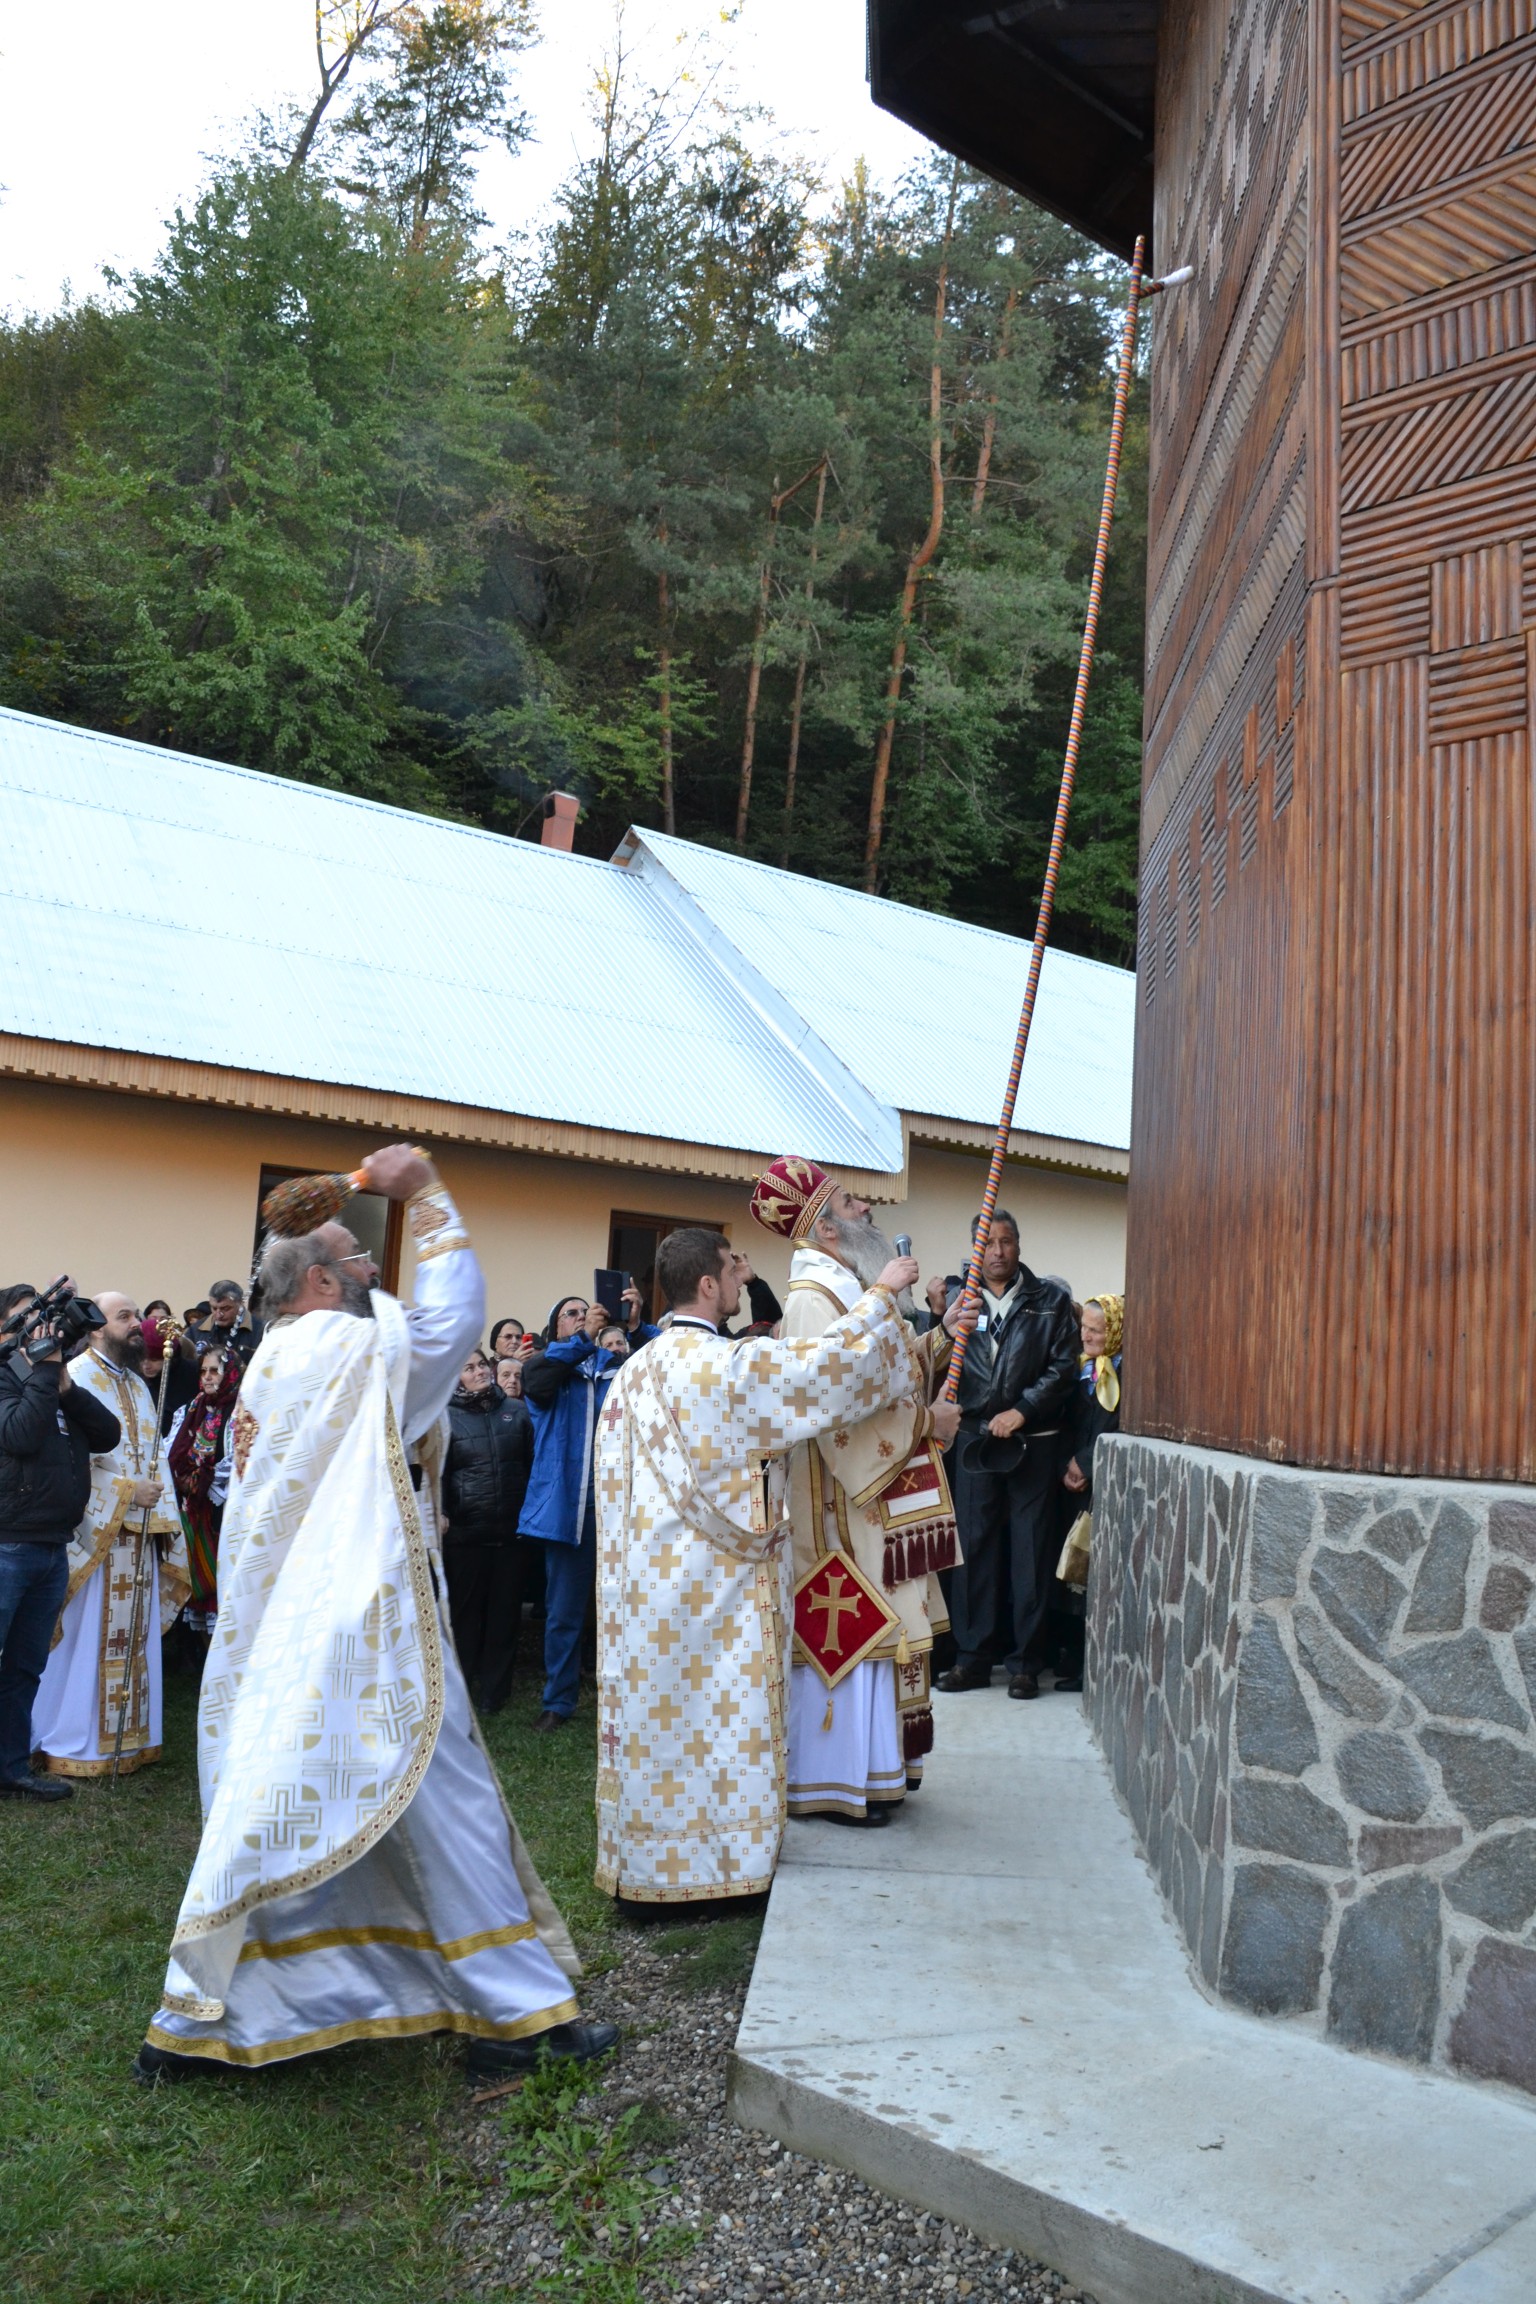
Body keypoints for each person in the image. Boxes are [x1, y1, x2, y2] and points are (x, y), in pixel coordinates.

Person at [136, 1145, 614, 2083]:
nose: (369, 1274)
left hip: (289, 1629)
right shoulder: (342, 1349)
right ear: (319, 1279)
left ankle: (213, 2015)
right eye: (356, 1264)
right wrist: (427, 1198)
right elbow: (449, 1323)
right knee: (448, 1803)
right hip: (364, 1632)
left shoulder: (279, 1358)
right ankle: (512, 2019)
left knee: (284, 1807)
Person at [595, 1222, 925, 1910]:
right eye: (734, 1268)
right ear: (708, 1285)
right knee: (718, 1729)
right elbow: (824, 1374)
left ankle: (646, 1873)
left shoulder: (632, 1375)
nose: (746, 1277)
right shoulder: (723, 1367)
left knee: (661, 1733)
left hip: (643, 1600)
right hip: (718, 1592)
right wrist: (882, 1298)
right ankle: (721, 1873)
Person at [749, 1158, 961, 1825]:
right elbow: (831, 1406)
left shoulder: (853, 1285)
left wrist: (943, 1336)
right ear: (825, 1228)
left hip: (874, 1492)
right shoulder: (816, 1298)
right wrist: (928, 1422)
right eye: (848, 1202)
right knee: (863, 1633)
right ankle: (842, 1782)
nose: (866, 1206)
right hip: (843, 1500)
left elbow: (885, 1370)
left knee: (890, 1627)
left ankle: (881, 1769)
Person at [32, 1295, 190, 1778]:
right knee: (84, 1638)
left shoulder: (139, 1385)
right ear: (97, 1327)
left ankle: (126, 1740)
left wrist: (159, 1507)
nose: (135, 1323)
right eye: (124, 1316)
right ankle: (71, 1740)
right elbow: (67, 1459)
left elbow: (152, 1457)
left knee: (131, 1638)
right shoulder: (76, 1376)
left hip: (139, 1537)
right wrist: (126, 1491)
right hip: (93, 1536)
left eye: (135, 1314)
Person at [936, 1213, 1080, 1702]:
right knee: (972, 1552)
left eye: (1006, 1241)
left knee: (1031, 1553)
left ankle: (1025, 1663)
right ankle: (972, 1659)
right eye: (987, 1242)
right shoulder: (962, 1302)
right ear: (975, 1247)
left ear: (1019, 1244)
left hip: (1032, 1441)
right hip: (976, 1440)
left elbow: (1064, 1368)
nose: (997, 1251)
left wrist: (1022, 1410)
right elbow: (943, 1365)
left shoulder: (1051, 1301)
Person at [0, 1294, 123, 1801]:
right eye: (31, 1318)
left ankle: (10, 1770)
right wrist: (44, 1372)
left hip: (51, 1547)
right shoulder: (7, 1376)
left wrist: (67, 1388)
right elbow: (21, 1435)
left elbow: (108, 1434)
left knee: (24, 1668)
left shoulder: (57, 1382)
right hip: (8, 1545)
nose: (43, 1329)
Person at [521, 1293, 659, 1734]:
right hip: (569, 1513)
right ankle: (558, 1701)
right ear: (557, 1327)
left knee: (630, 1608)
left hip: (623, 1511)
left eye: (587, 1312)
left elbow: (661, 1364)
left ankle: (629, 1698)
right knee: (563, 1612)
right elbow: (536, 1381)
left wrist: (635, 1327)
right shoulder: (547, 1371)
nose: (582, 1318)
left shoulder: (620, 1366)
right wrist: (582, 1339)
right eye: (571, 1314)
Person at [442, 1347, 535, 1713]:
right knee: (464, 1620)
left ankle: (494, 1695)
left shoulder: (516, 1412)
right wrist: (445, 1512)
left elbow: (531, 1465)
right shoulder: (444, 1418)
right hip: (465, 1537)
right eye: (468, 1368)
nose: (479, 1371)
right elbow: (439, 1474)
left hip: (511, 1534)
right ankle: (462, 1693)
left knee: (504, 1617)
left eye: (482, 1365)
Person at [1051, 1293, 1124, 1694]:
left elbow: (1117, 1427)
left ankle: (1087, 1667)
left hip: (1098, 1488)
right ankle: (1068, 1656)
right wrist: (1068, 1463)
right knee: (1069, 1573)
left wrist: (1086, 1461)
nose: (1088, 1336)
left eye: (1097, 1330)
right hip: (1072, 1484)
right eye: (1085, 1327)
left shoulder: (1122, 1374)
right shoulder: (1085, 1370)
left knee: (1089, 1576)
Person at [166, 1345, 243, 1643]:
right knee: (201, 1572)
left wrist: (212, 1481)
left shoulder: (242, 1409)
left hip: (226, 1505)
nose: (207, 1378)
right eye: (203, 1371)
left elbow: (241, 1457)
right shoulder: (194, 1407)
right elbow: (175, 1451)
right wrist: (187, 1478)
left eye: (214, 1370)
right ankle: (199, 1651)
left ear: (231, 1373)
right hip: (196, 1504)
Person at [188, 1280, 261, 1370]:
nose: (219, 1315)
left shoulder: (260, 1330)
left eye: (225, 1308)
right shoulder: (196, 1330)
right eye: (214, 1308)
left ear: (241, 1304)